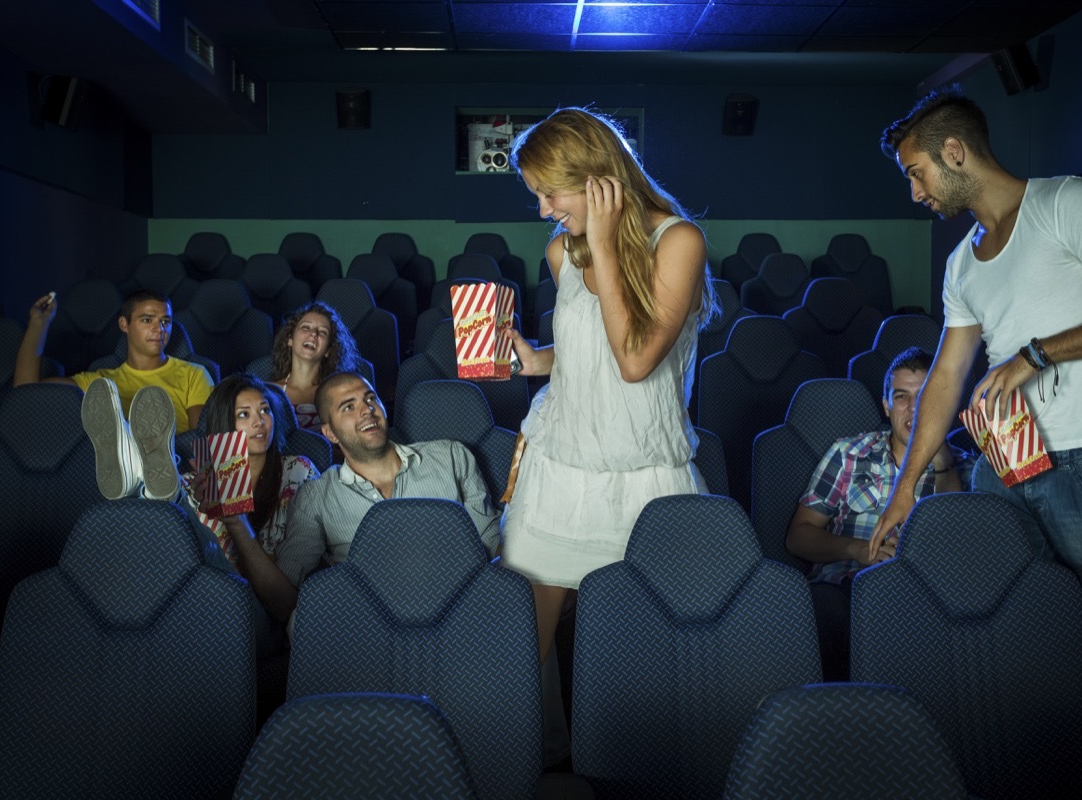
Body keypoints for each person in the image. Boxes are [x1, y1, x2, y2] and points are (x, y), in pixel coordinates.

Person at [869, 85, 1082, 674]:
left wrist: (1036, 354)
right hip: (1004, 467)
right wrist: (906, 488)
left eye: (917, 173)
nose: (915, 192)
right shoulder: (962, 262)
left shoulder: (1068, 203)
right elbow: (946, 376)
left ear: (954, 152)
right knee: (1032, 641)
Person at [501, 107, 719, 664]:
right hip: (559, 463)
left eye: (550, 194)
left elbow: (635, 361)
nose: (544, 211)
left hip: (644, 469)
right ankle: (539, 750)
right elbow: (590, 353)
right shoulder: (561, 251)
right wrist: (537, 359)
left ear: (597, 179)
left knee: (651, 645)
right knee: (525, 643)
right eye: (538, 196)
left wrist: (602, 244)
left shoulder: (679, 242)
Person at [220, 371, 500, 628]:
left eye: (370, 399)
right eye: (348, 407)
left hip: (462, 615)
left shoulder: (451, 457)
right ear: (329, 433)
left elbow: (492, 549)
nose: (367, 410)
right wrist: (237, 524)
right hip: (368, 631)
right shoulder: (317, 496)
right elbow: (285, 601)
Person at [787, 347, 968, 681]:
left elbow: (961, 546)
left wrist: (943, 465)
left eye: (926, 395)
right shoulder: (849, 454)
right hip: (845, 591)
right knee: (820, 611)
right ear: (886, 406)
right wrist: (858, 550)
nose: (914, 408)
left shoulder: (963, 466)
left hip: (926, 598)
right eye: (901, 397)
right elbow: (799, 536)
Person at [14, 289, 213, 436]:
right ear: (124, 324)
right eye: (147, 320)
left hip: (175, 467)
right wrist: (39, 323)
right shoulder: (100, 381)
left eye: (165, 322)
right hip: (117, 472)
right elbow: (26, 391)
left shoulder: (194, 374)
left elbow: (201, 440)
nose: (159, 329)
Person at [189, 373, 319, 565]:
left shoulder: (301, 470)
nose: (259, 421)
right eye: (244, 414)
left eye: (265, 410)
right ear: (225, 423)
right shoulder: (193, 485)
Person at [268, 301, 360, 434]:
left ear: (328, 350)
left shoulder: (339, 395)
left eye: (322, 332)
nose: (313, 334)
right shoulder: (267, 391)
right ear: (290, 339)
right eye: (306, 327)